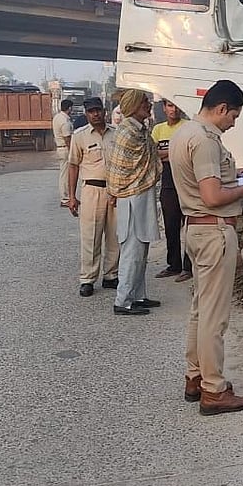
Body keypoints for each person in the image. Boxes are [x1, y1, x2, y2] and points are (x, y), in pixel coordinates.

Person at [170, 79, 243, 415]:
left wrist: (234, 174)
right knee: (214, 317)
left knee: (200, 310)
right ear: (222, 108)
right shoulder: (206, 140)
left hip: (196, 231)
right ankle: (213, 389)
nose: (233, 122)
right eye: (233, 116)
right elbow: (211, 197)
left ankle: (196, 377)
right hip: (214, 232)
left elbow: (204, 180)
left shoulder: (184, 132)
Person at [107, 88, 162, 316]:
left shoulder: (139, 129)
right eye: (144, 104)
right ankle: (123, 301)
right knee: (132, 250)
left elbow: (150, 158)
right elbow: (126, 169)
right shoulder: (128, 132)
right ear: (134, 106)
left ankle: (138, 296)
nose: (148, 106)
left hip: (141, 195)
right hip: (132, 197)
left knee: (142, 249)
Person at [66, 97, 120, 296]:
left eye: (98, 110)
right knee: (91, 236)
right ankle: (87, 278)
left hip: (115, 191)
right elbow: (73, 166)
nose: (95, 114)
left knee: (115, 235)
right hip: (91, 190)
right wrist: (71, 196)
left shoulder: (116, 133)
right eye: (91, 111)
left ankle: (111, 276)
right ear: (86, 114)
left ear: (104, 111)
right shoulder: (80, 136)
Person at [151, 99, 193, 282]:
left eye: (176, 105)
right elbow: (152, 153)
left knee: (190, 226)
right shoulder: (158, 130)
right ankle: (173, 265)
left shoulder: (188, 127)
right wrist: (175, 152)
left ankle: (188, 267)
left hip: (186, 180)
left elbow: (189, 152)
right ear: (164, 108)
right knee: (171, 225)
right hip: (168, 181)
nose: (173, 109)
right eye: (169, 105)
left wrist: (167, 153)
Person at [52, 99, 75, 207]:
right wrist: (72, 151)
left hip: (60, 148)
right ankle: (65, 198)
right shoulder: (65, 121)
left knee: (64, 174)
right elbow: (67, 138)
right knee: (65, 176)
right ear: (69, 108)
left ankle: (67, 197)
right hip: (65, 149)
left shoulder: (57, 117)